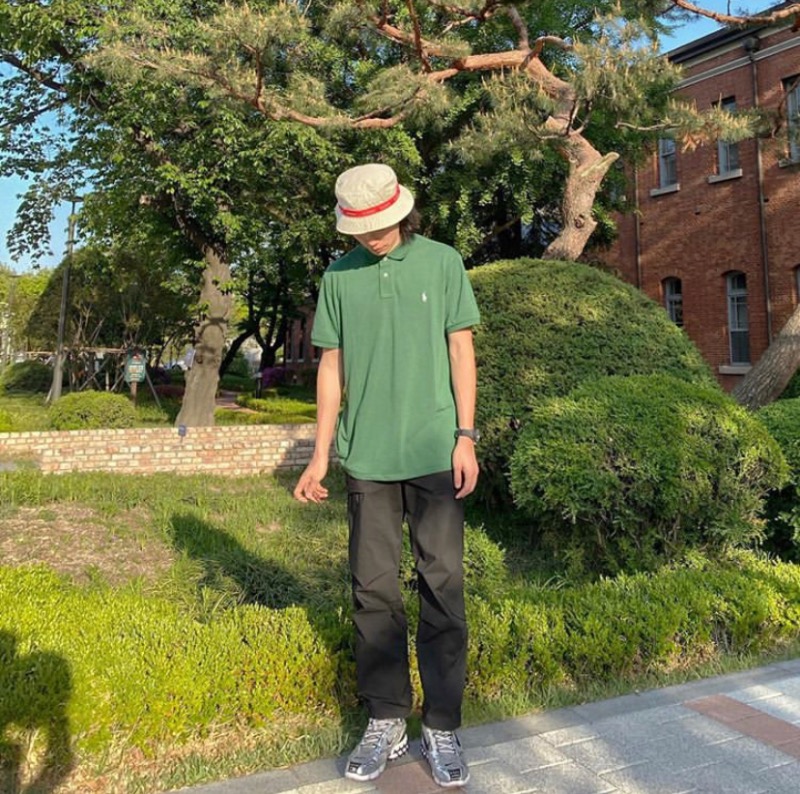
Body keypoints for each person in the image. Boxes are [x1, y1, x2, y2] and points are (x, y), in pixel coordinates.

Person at [293, 163, 481, 788]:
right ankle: (386, 720)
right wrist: (320, 454)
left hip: (435, 452)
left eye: (380, 225)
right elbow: (331, 368)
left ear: (401, 212)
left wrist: (465, 437)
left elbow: (461, 349)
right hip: (367, 458)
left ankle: (443, 725)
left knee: (442, 586)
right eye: (361, 229)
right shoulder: (337, 278)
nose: (372, 237)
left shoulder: (443, 262)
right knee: (373, 591)